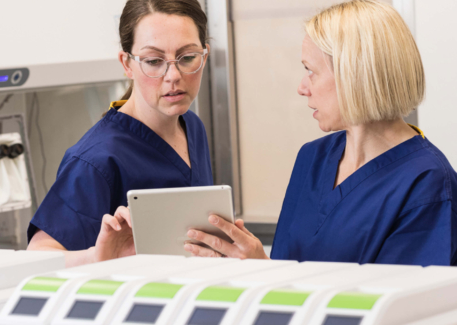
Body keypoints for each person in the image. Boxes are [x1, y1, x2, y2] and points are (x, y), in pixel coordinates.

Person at [185, 0, 457, 266]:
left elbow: (399, 306)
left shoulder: (428, 183)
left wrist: (265, 272)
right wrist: (257, 265)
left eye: (311, 71)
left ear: (354, 75)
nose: (302, 88)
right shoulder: (313, 157)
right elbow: (287, 276)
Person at [27, 0, 212, 267]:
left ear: (204, 55)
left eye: (187, 57)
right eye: (153, 61)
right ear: (127, 64)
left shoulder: (191, 126)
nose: (173, 75)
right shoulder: (97, 160)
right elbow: (38, 256)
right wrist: (100, 256)